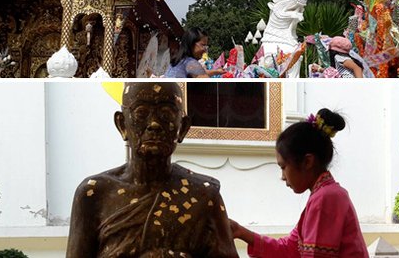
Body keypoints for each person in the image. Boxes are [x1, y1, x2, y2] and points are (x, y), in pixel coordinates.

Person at [66, 82, 240, 258]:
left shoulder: (204, 195)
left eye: (166, 114)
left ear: (183, 128)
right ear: (122, 125)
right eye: (141, 113)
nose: (154, 124)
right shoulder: (94, 193)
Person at [229, 109, 367, 258]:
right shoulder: (323, 195)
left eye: (283, 167)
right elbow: (288, 249)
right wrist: (241, 232)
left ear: (307, 161)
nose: (282, 177)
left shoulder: (326, 197)